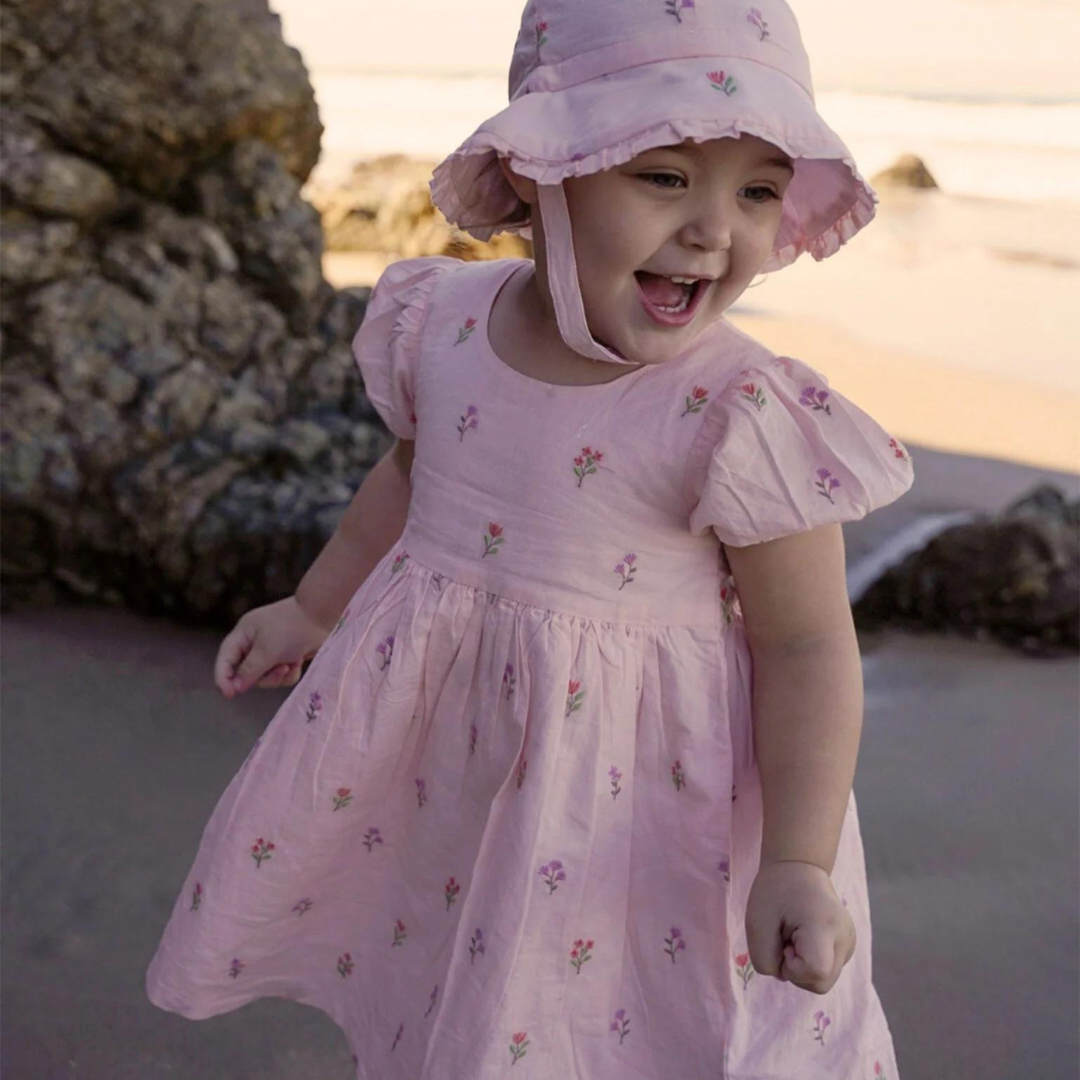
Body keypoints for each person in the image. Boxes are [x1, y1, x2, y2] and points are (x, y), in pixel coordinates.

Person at [145, 1, 914, 1077]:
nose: (712, 229)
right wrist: (316, 607)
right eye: (664, 176)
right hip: (462, 761)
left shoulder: (741, 413)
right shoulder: (447, 324)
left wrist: (798, 857)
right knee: (457, 974)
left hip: (637, 808)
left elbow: (806, 648)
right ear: (545, 173)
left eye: (757, 191)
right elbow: (411, 480)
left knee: (625, 1020)